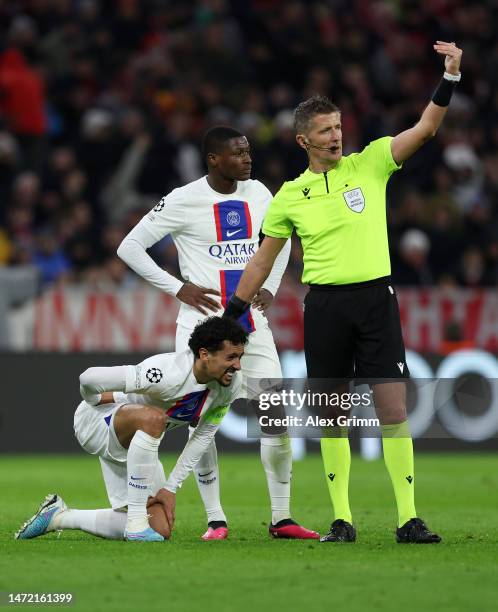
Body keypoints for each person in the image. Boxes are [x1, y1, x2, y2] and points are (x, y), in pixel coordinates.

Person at [224, 41, 464, 544]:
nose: (336, 137)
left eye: (337, 127)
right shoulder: (290, 195)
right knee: (331, 413)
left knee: (393, 409)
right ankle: (342, 520)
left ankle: (408, 519)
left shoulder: (371, 161)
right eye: (325, 131)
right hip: (326, 305)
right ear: (302, 141)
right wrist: (234, 313)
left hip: (376, 298)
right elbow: (263, 259)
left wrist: (449, 78)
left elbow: (426, 128)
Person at [117, 126, 318, 540]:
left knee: (275, 415)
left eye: (248, 152)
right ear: (214, 159)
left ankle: (281, 517)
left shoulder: (260, 193)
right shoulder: (183, 199)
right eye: (239, 153)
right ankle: (216, 519)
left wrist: (271, 287)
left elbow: (278, 240)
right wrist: (178, 288)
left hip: (251, 326)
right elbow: (129, 247)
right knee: (200, 421)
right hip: (201, 329)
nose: (248, 159)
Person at [15, 317, 247, 542]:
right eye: (231, 357)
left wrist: (169, 488)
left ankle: (59, 517)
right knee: (154, 419)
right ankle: (136, 523)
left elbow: (203, 436)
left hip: (139, 445)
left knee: (160, 528)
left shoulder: (229, 386)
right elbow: (87, 378)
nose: (237, 365)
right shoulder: (166, 372)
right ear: (205, 354)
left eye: (240, 357)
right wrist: (94, 400)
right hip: (97, 422)